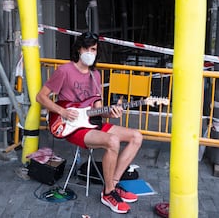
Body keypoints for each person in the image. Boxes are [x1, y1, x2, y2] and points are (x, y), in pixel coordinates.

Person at [36, 32, 143, 214]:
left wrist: (112, 112)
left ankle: (113, 185)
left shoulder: (96, 75)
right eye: (87, 48)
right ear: (79, 49)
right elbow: (40, 97)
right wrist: (62, 111)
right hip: (72, 126)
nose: (90, 52)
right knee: (112, 141)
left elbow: (98, 109)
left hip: (91, 122)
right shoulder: (65, 71)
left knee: (136, 136)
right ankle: (108, 193)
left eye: (93, 49)